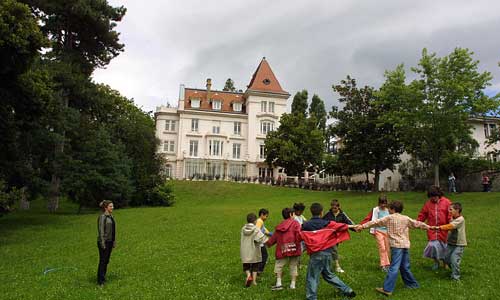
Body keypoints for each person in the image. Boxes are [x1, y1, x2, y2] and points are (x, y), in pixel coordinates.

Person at [355, 201, 430, 296]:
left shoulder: (389, 218)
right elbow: (417, 224)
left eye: (389, 208)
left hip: (396, 246)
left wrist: (362, 226)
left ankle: (387, 289)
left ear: (393, 209)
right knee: (405, 266)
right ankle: (412, 284)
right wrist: (429, 227)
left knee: (394, 267)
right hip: (405, 246)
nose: (388, 210)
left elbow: (375, 222)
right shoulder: (405, 218)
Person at [300, 203, 356, 300]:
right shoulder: (327, 224)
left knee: (312, 277)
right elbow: (341, 226)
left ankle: (311, 297)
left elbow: (298, 234)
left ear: (311, 212)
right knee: (328, 275)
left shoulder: (305, 225)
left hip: (316, 254)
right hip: (327, 253)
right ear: (321, 213)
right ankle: (348, 290)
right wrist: (356, 226)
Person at [266, 208, 302, 290]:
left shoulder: (280, 225)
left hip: (282, 249)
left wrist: (268, 243)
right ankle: (293, 285)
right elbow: (299, 235)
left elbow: (274, 238)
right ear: (290, 214)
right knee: (293, 266)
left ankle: (279, 283)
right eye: (294, 214)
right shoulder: (296, 224)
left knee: (279, 266)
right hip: (294, 248)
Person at [417, 186, 452, 270]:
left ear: (439, 195)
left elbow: (450, 213)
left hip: (444, 230)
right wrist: (418, 222)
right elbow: (422, 214)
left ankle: (445, 262)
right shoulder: (428, 204)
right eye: (432, 197)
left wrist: (451, 223)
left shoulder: (447, 202)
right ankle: (436, 261)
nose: (434, 198)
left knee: (445, 247)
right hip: (432, 230)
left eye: (435, 196)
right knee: (433, 246)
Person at [431, 202, 467, 280]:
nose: (449, 211)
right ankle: (454, 268)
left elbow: (450, 226)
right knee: (446, 258)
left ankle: (455, 277)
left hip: (459, 244)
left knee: (454, 260)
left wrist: (438, 228)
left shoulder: (460, 219)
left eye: (451, 209)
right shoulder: (452, 218)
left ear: (457, 210)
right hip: (451, 243)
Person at [359, 194, 391, 272]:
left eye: (384, 203)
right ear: (379, 203)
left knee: (387, 248)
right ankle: (383, 265)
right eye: (381, 203)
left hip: (387, 232)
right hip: (378, 231)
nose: (383, 205)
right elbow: (373, 220)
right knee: (382, 248)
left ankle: (388, 264)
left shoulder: (389, 210)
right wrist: (372, 230)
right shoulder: (376, 210)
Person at [322, 199, 355, 273]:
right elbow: (322, 221)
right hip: (329, 235)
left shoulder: (342, 214)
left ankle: (325, 264)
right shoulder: (328, 214)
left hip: (338, 236)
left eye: (335, 208)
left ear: (338, 207)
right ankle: (337, 266)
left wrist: (355, 228)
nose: (333, 209)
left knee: (332, 250)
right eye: (332, 207)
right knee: (334, 249)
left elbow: (348, 222)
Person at [241, 212, 269, 287]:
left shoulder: (243, 228)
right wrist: (268, 242)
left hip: (245, 250)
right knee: (255, 265)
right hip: (254, 250)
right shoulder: (256, 229)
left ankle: (248, 275)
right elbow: (261, 238)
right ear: (255, 221)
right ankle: (254, 281)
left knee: (246, 265)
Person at [97, 200, 116, 286]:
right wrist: (103, 243)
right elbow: (101, 231)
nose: (112, 207)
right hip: (104, 242)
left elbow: (113, 230)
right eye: (110, 206)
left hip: (110, 242)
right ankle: (100, 281)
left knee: (106, 261)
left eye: (112, 206)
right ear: (106, 208)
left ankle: (103, 277)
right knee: (103, 261)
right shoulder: (102, 217)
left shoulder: (111, 216)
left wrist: (114, 241)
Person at [256, 208, 272, 274]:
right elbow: (257, 231)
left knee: (260, 256)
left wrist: (273, 235)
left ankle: (256, 269)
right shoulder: (260, 221)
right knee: (264, 256)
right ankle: (259, 270)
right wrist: (264, 239)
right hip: (259, 243)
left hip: (259, 243)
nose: (266, 218)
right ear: (262, 214)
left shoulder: (260, 221)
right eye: (266, 216)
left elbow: (266, 231)